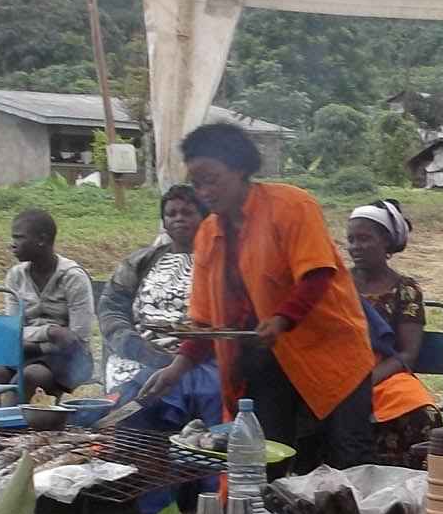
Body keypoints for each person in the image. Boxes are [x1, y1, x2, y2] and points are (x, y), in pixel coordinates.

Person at [139, 123, 376, 468]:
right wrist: (177, 367)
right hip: (265, 362)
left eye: (212, 180)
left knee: (349, 451)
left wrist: (281, 319)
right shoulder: (207, 234)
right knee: (265, 455)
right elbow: (206, 320)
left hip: (329, 351)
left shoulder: (292, 205)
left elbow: (317, 273)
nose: (203, 191)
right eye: (197, 182)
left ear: (240, 169)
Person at [99, 185, 222, 427]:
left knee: (204, 387)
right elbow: (111, 308)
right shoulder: (139, 262)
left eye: (188, 212)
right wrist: (136, 347)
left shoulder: (220, 263)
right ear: (164, 222)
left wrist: (180, 358)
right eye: (172, 213)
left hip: (200, 356)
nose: (179, 218)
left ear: (205, 218)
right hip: (139, 353)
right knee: (133, 396)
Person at [349, 198, 442, 467]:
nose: (356, 247)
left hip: (388, 376)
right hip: (341, 373)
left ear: (387, 242)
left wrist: (366, 382)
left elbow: (406, 354)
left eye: (364, 239)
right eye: (351, 239)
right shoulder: (338, 285)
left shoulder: (406, 290)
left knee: (423, 414)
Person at [0, 209, 95, 401]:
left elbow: (77, 340)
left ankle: (9, 428)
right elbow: (12, 331)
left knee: (28, 377)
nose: (12, 244)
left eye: (19, 238)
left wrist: (35, 344)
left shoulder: (73, 277)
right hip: (25, 352)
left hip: (70, 359)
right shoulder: (16, 276)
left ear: (42, 239)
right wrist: (51, 332)